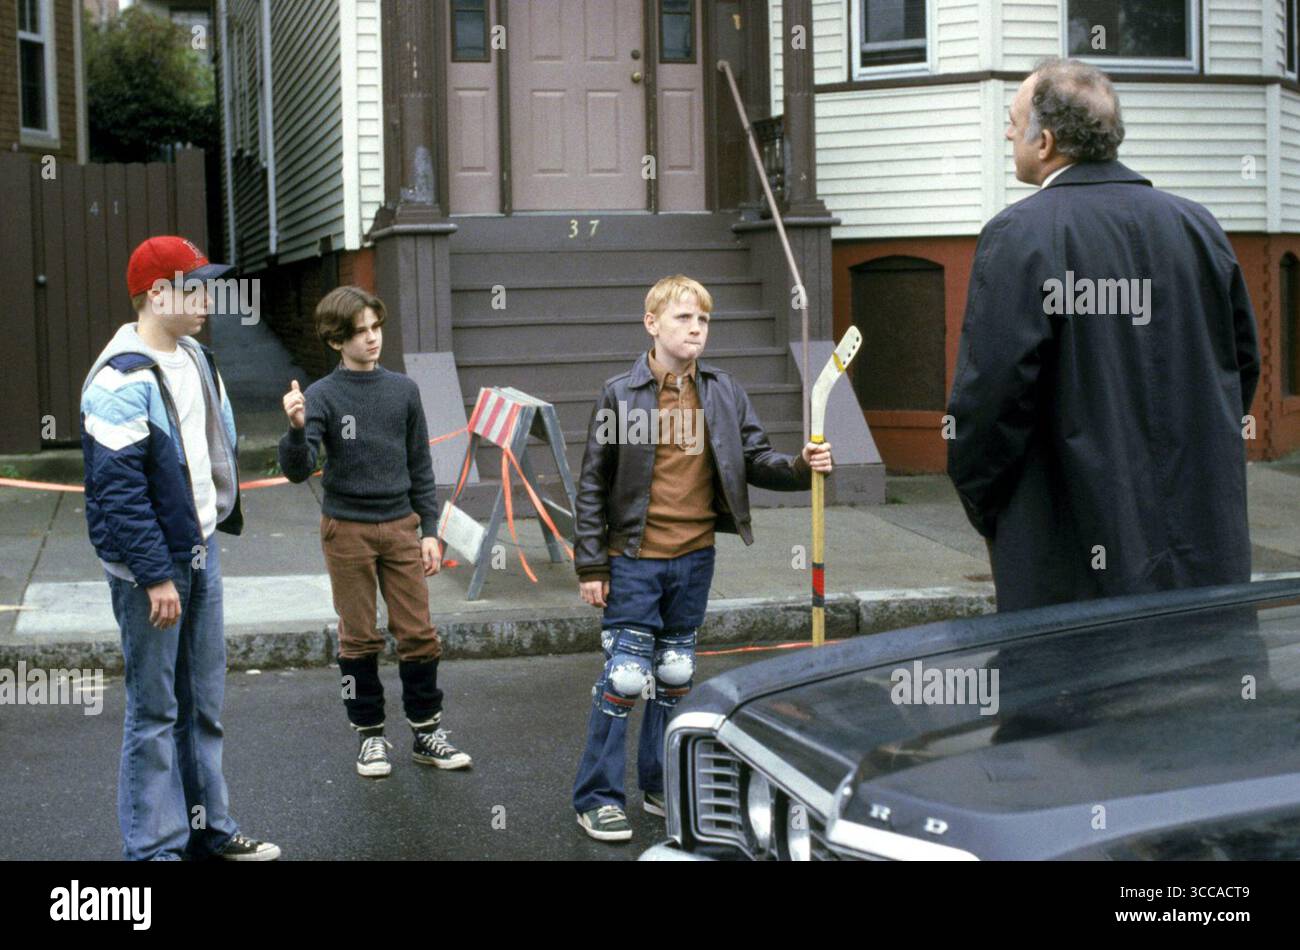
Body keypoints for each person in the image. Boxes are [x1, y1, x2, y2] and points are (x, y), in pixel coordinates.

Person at [946, 58, 1261, 613]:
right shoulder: (1198, 226)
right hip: (1199, 549)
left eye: (1012, 120)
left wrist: (987, 505)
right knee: (1200, 695)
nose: (1006, 132)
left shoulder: (1020, 236)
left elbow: (988, 402)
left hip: (1065, 557)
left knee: (1065, 698)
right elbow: (1240, 369)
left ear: (1044, 142)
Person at [571, 274, 834, 841]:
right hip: (635, 558)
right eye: (683, 318)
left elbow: (755, 457)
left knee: (674, 676)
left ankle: (661, 783)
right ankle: (597, 795)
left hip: (695, 557)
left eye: (704, 320)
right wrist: (592, 565)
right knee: (624, 676)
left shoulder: (721, 390)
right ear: (652, 324)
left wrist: (798, 467)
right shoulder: (621, 393)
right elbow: (592, 484)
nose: (696, 329)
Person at [80, 235, 279, 860]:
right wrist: (154, 575)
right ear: (156, 294)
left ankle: (210, 830)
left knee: (204, 705)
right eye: (194, 287)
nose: (206, 299)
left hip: (200, 550)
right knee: (155, 712)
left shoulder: (195, 357)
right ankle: (154, 851)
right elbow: (118, 492)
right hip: (154, 570)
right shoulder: (119, 377)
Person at [278, 286, 471, 778]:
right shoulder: (322, 395)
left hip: (402, 527)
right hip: (347, 531)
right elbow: (300, 470)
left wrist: (430, 528)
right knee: (358, 638)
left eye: (375, 328)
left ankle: (427, 731)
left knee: (419, 633)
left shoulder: (403, 390)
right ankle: (369, 736)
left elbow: (420, 464)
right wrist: (297, 428)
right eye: (359, 332)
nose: (371, 339)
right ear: (337, 340)